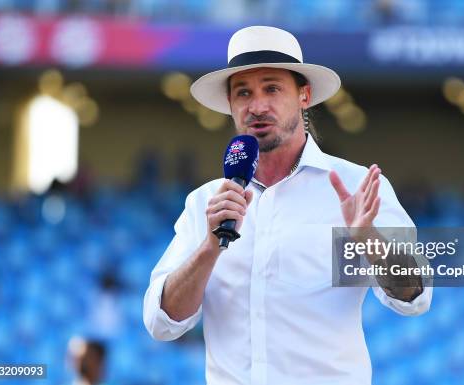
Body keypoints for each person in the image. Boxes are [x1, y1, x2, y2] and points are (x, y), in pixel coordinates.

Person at [143, 25, 432, 385]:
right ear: (231, 106)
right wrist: (210, 246)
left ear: (304, 95)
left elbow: (415, 296)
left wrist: (367, 237)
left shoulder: (357, 187)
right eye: (243, 93)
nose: (257, 105)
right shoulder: (206, 202)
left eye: (272, 88)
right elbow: (162, 322)